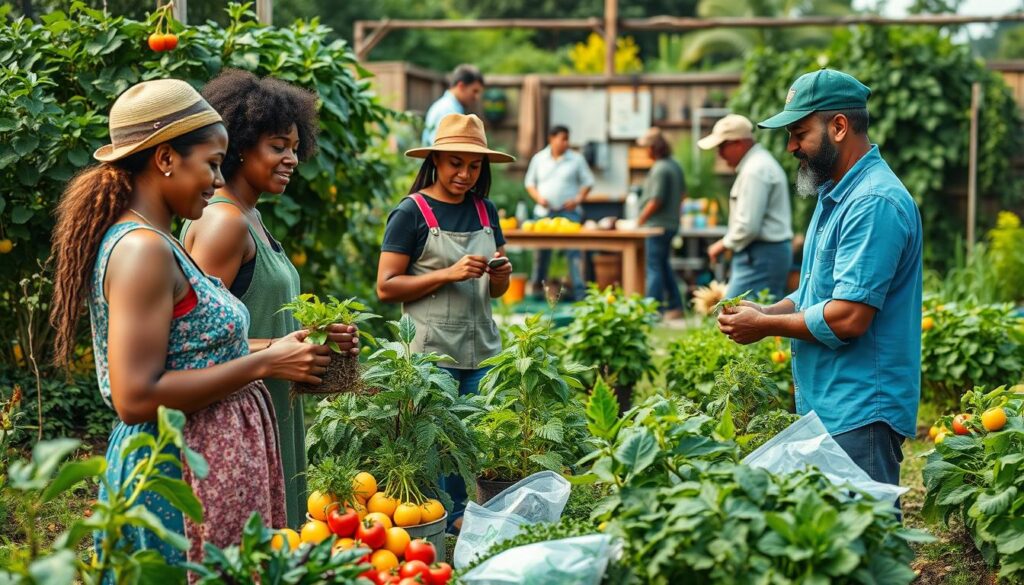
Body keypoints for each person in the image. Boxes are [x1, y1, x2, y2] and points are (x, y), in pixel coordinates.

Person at [49, 79, 332, 566]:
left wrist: (277, 350)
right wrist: (263, 364)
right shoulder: (142, 250)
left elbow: (195, 352)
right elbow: (135, 396)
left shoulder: (161, 242)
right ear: (165, 159)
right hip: (174, 479)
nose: (219, 181)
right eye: (212, 163)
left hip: (201, 476)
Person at [717, 69, 923, 494]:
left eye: (799, 132)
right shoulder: (836, 196)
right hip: (831, 402)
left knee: (866, 545)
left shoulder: (872, 203)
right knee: (837, 542)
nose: (791, 146)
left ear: (839, 126)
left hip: (860, 409)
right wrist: (768, 310)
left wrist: (766, 327)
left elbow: (848, 316)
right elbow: (818, 290)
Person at [179, 69, 360, 529]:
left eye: (296, 149)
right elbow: (195, 341)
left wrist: (318, 341)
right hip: (236, 414)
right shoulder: (224, 224)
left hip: (268, 406)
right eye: (278, 146)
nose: (291, 159)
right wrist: (280, 352)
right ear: (240, 145)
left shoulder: (250, 217)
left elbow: (256, 321)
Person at [377, 113, 514, 531]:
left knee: (470, 437)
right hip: (431, 352)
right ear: (435, 160)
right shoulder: (411, 212)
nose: (465, 174)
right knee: (435, 440)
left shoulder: (485, 210)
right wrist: (448, 273)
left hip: (481, 349)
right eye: (456, 163)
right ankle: (437, 516)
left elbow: (495, 293)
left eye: (474, 166)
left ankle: (459, 515)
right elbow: (386, 286)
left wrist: (501, 278)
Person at [699, 114, 793, 301]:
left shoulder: (755, 171)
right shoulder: (758, 164)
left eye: (722, 146)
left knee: (733, 315)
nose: (719, 154)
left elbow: (748, 225)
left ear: (739, 143)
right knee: (760, 316)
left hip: (761, 255)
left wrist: (722, 244)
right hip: (765, 254)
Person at [524, 125, 595, 300]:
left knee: (574, 253)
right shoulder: (539, 159)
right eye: (563, 138)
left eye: (567, 139)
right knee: (541, 253)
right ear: (552, 138)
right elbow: (529, 183)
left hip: (569, 213)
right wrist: (539, 198)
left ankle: (579, 293)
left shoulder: (576, 159)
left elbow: (588, 182)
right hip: (544, 213)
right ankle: (537, 290)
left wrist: (577, 200)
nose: (566, 142)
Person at [635, 127, 686, 320]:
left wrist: (639, 222)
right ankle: (675, 305)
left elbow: (655, 200)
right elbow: (682, 195)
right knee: (663, 266)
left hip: (657, 227)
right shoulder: (674, 165)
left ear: (654, 148)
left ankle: (651, 311)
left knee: (654, 268)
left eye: (646, 147)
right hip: (671, 224)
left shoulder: (660, 169)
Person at [422, 64, 485, 145]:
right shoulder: (448, 110)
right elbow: (444, 148)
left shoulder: (447, 107)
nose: (477, 97)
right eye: (475, 91)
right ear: (461, 86)